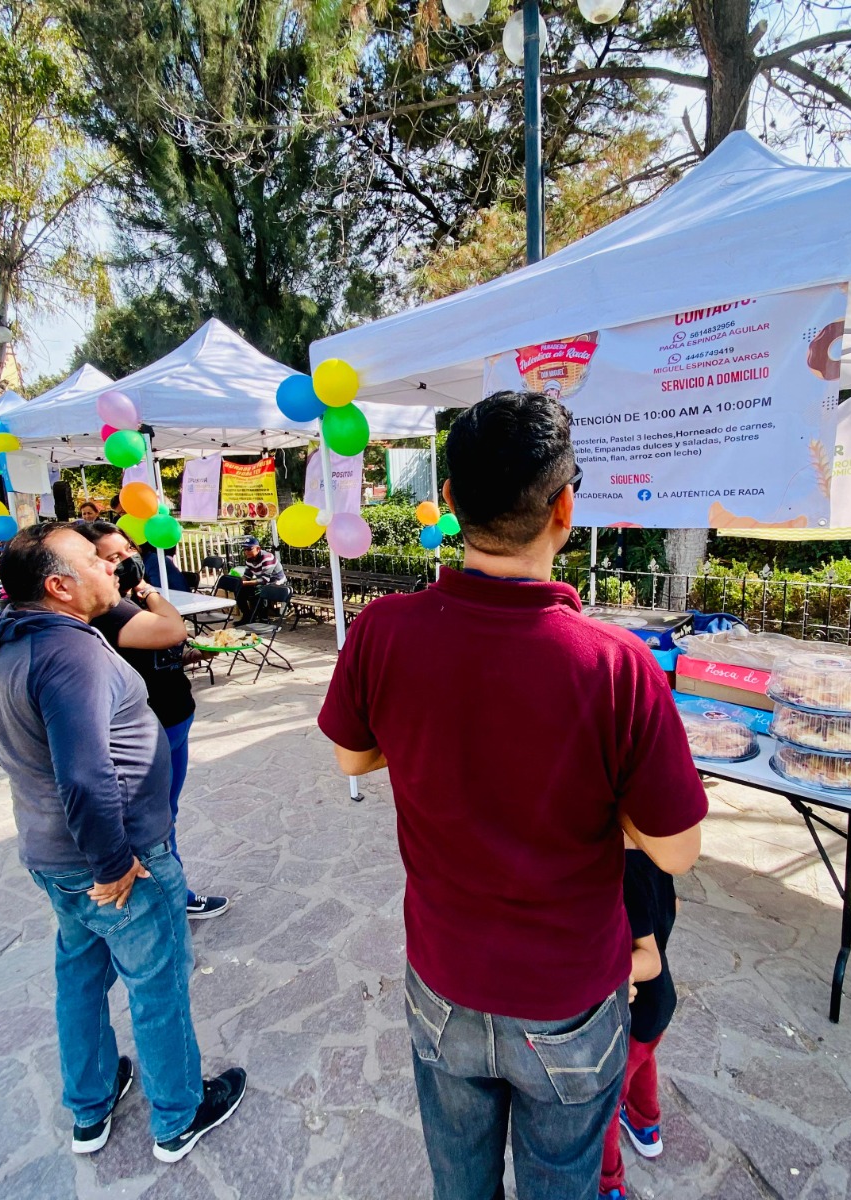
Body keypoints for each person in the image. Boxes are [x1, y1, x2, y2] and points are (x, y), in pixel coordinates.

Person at [316, 391, 707, 1200]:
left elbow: (353, 756)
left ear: (448, 499)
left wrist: (428, 745)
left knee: (459, 1185)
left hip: (444, 981)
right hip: (569, 1000)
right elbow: (676, 851)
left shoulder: (384, 630)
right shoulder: (617, 665)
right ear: (565, 508)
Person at [0, 523, 245, 1163]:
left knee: (81, 975)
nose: (109, 568)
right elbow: (85, 775)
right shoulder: (70, 654)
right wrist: (113, 861)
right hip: (117, 861)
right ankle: (178, 1113)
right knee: (157, 983)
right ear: (59, 586)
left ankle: (90, 1104)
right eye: (93, 562)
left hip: (53, 856)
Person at [73, 519, 230, 920]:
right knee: (154, 822)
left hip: (175, 717)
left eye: (128, 550)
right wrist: (148, 590)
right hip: (150, 728)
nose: (126, 560)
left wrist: (189, 656)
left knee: (167, 813)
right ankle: (170, 898)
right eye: (113, 556)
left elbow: (157, 653)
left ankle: (170, 890)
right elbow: (172, 629)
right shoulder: (110, 611)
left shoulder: (129, 603)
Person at [599, 833, 679, 1200]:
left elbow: (651, 960)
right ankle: (646, 1125)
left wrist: (609, 970)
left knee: (605, 1099)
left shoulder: (623, 873)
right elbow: (672, 907)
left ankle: (607, 1182)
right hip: (656, 1008)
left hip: (633, 1013)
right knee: (644, 1062)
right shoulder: (658, 861)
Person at [234, 535, 286, 622]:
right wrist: (239, 582)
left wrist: (244, 583)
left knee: (258, 591)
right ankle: (247, 616)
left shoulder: (267, 557)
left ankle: (263, 619)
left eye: (249, 549)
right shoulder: (249, 560)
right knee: (239, 590)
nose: (246, 552)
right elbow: (247, 576)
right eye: (245, 549)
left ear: (258, 549)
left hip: (278, 585)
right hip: (264, 584)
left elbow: (265, 580)